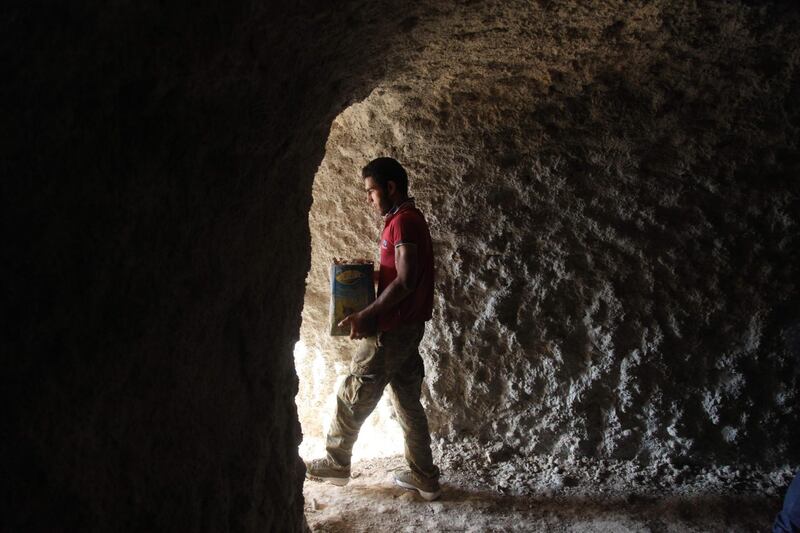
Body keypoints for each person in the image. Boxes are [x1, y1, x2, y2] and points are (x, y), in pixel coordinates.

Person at [305, 157, 441, 501]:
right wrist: (364, 275)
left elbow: (408, 280)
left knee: (353, 392)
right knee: (408, 401)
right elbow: (401, 275)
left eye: (371, 190)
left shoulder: (404, 223)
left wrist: (367, 315)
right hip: (407, 328)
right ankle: (424, 475)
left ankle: (336, 464)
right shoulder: (402, 220)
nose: (368, 198)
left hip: (391, 330)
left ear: (391, 187)